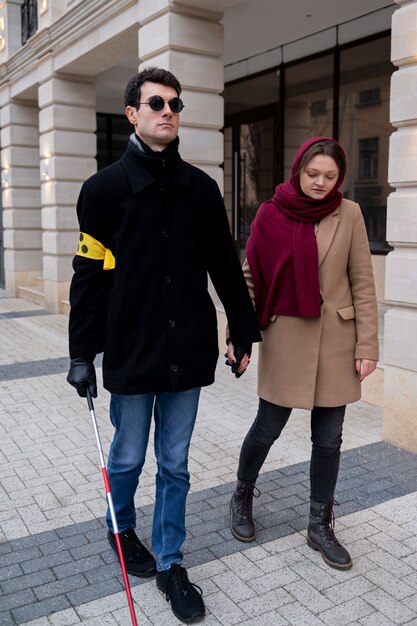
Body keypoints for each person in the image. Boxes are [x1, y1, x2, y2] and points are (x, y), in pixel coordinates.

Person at [66, 66, 261, 624]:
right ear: (132, 113)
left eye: (176, 103)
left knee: (174, 464)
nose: (168, 110)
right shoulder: (101, 191)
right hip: (130, 350)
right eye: (156, 102)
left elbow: (225, 265)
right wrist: (82, 353)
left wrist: (242, 328)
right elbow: (88, 276)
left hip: (187, 353)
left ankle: (172, 562)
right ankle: (120, 528)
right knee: (127, 456)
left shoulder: (200, 189)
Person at [227, 136, 379, 571]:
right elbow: (251, 279)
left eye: (330, 177)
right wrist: (239, 336)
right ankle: (241, 495)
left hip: (337, 342)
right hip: (286, 338)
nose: (320, 183)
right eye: (313, 174)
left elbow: (363, 283)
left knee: (329, 440)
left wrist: (367, 344)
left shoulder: (349, 214)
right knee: (266, 428)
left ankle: (320, 523)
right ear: (299, 170)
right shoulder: (271, 213)